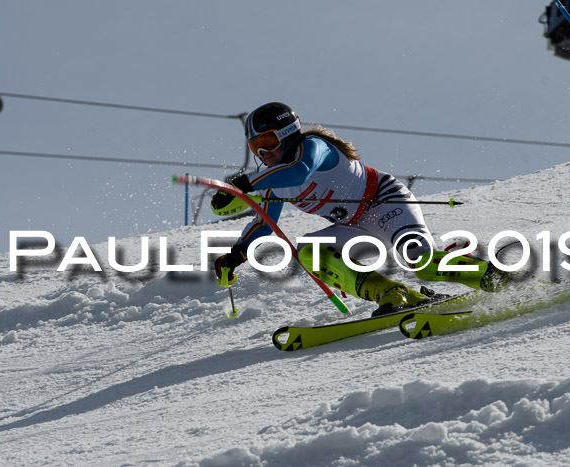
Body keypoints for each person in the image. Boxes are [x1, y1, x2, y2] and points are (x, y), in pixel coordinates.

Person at [211, 102, 503, 316]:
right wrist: (236, 255)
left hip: (384, 202)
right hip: (353, 226)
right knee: (310, 251)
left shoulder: (313, 147)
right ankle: (392, 294)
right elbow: (265, 224)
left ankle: (490, 276)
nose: (263, 153)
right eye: (255, 147)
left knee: (420, 262)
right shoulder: (273, 182)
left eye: (268, 141)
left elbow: (300, 172)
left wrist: (245, 182)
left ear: (288, 133)